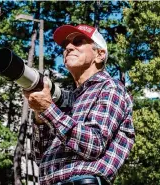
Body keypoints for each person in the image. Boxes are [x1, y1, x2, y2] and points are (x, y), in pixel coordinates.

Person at [23, 24, 135, 185]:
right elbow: (41, 157)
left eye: (78, 41)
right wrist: (40, 115)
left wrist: (48, 109)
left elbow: (94, 145)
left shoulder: (111, 88)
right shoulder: (66, 100)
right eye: (65, 45)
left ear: (100, 54)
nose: (68, 47)